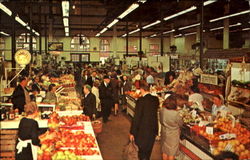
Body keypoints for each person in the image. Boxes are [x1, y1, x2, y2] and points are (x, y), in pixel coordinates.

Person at [130, 81, 159, 160]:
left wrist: (132, 132)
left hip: (142, 130)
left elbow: (137, 117)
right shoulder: (155, 99)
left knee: (141, 152)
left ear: (142, 89)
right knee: (148, 150)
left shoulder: (140, 101)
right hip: (152, 130)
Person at [160, 94, 183, 160]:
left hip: (164, 133)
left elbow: (161, 121)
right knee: (171, 153)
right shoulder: (175, 114)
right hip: (173, 135)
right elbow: (181, 123)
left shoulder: (162, 110)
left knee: (164, 151)